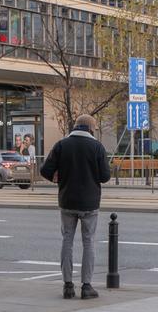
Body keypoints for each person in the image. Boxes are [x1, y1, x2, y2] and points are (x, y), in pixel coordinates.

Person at [40, 115, 111, 300]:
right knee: (89, 243)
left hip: (67, 200)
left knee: (67, 241)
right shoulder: (97, 147)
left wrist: (57, 177)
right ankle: (87, 286)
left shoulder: (62, 145)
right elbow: (105, 176)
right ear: (91, 129)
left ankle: (68, 286)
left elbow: (45, 170)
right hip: (89, 203)